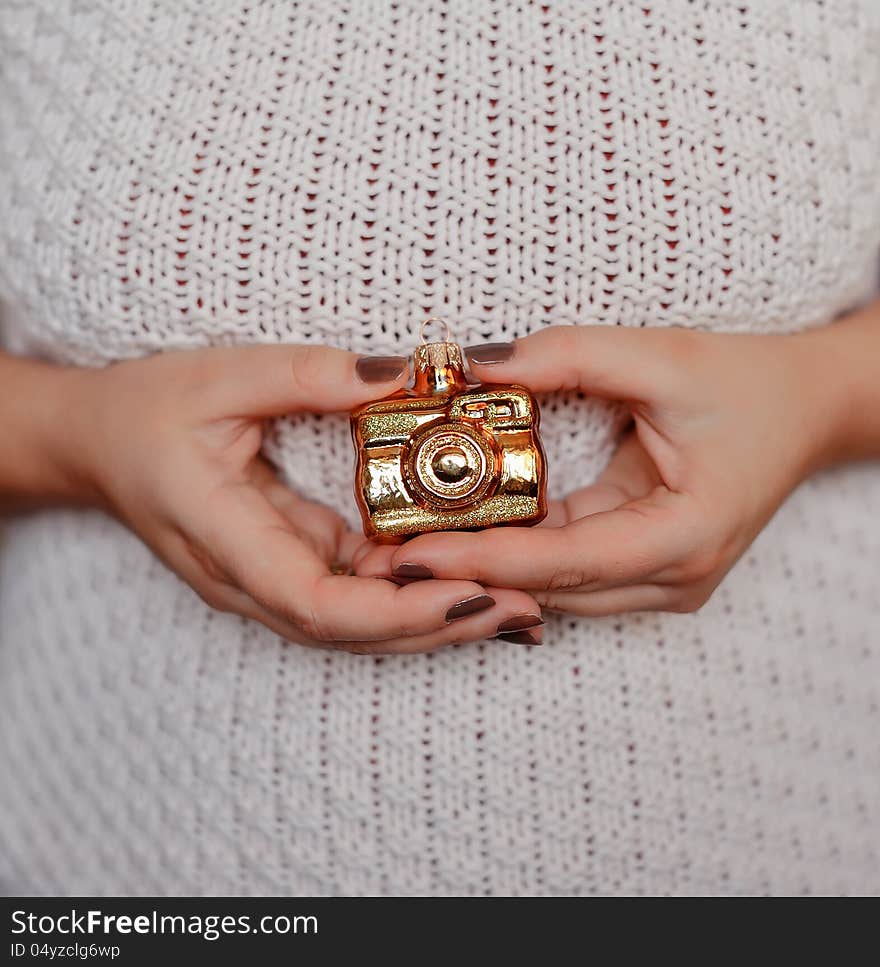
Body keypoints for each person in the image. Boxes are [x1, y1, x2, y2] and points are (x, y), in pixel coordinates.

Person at [1, 0, 878, 895]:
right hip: (132, 825)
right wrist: (76, 435)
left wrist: (822, 395)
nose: (451, 462)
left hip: (785, 800)